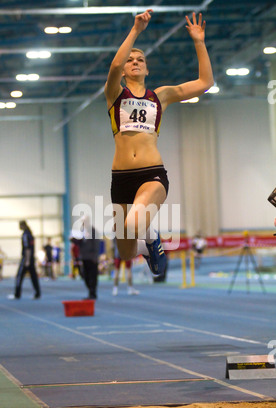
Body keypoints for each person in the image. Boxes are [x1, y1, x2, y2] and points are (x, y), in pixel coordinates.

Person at [104, 10, 214, 276]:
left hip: (151, 174)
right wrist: (136, 31)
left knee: (133, 223)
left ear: (147, 68)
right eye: (131, 59)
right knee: (127, 252)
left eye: (140, 59)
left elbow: (205, 82)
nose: (134, 62)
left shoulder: (160, 96)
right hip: (120, 179)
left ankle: (152, 238)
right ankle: (147, 244)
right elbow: (114, 68)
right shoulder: (115, 93)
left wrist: (199, 41)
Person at [8, 221, 41, 300]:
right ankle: (37, 293)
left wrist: (27, 260)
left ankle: (17, 294)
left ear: (22, 225)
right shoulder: (30, 234)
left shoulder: (25, 235)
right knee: (33, 276)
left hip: (26, 258)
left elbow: (27, 248)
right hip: (31, 258)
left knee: (19, 276)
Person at [72, 216, 100, 300]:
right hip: (84, 257)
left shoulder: (93, 231)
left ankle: (92, 293)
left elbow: (96, 244)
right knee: (85, 276)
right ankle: (90, 291)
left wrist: (95, 256)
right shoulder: (82, 231)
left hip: (91, 258)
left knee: (92, 276)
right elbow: (82, 243)